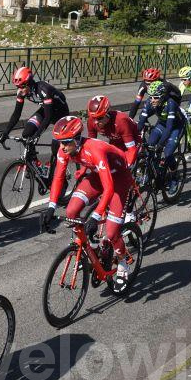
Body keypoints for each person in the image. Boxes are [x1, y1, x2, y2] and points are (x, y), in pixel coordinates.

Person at [40, 116, 135, 282]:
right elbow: (58, 178)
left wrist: (95, 216)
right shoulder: (64, 149)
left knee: (112, 232)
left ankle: (122, 261)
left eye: (66, 142)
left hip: (119, 179)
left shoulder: (95, 150)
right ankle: (87, 248)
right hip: (99, 175)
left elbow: (109, 188)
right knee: (71, 210)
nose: (62, 147)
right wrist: (51, 207)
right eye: (60, 142)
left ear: (77, 140)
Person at [0, 66, 70, 179]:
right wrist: (6, 132)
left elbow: (48, 117)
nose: (19, 90)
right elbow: (16, 114)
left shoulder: (43, 90)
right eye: (17, 87)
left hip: (60, 114)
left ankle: (55, 170)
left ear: (29, 83)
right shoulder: (22, 92)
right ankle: (36, 164)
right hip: (46, 110)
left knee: (55, 146)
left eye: (22, 86)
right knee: (27, 134)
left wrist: (37, 135)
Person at [135, 80, 186, 188]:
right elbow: (141, 122)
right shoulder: (149, 102)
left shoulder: (171, 104)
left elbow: (170, 127)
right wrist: (135, 137)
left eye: (156, 97)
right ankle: (152, 172)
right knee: (150, 145)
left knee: (167, 153)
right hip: (162, 124)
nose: (152, 100)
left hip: (176, 126)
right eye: (151, 97)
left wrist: (161, 144)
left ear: (163, 97)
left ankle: (174, 177)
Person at [86, 95, 139, 166]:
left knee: (124, 167)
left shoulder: (121, 121)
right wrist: (85, 168)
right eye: (93, 118)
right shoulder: (91, 121)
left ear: (107, 114)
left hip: (133, 138)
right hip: (116, 140)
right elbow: (91, 147)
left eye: (99, 118)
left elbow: (131, 150)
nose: (95, 122)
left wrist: (126, 169)